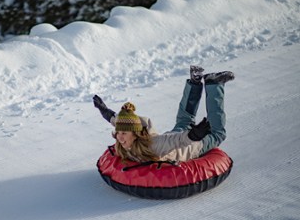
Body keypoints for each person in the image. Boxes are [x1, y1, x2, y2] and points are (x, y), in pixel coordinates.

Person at [93, 66, 234, 163]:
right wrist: (105, 111)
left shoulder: (152, 145)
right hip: (172, 135)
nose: (120, 137)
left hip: (189, 146)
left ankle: (214, 84)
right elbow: (118, 122)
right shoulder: (128, 139)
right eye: (118, 133)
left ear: (135, 134)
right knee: (184, 121)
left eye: (123, 133)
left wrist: (193, 136)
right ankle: (194, 82)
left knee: (217, 133)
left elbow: (176, 141)